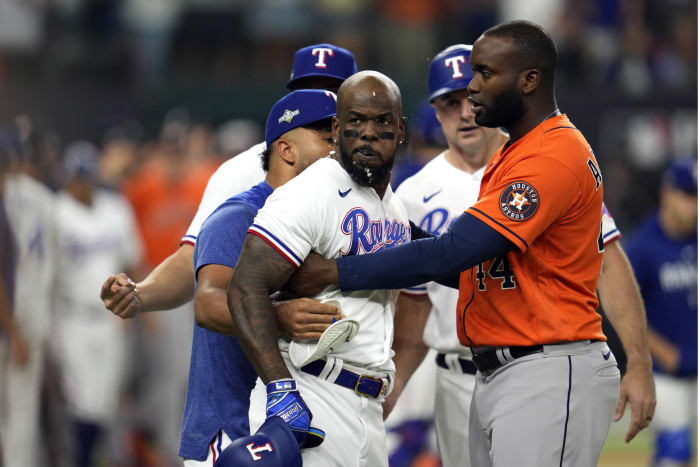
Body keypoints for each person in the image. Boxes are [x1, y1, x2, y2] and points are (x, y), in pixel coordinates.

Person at [287, 21, 655, 467]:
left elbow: (451, 253)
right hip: (504, 368)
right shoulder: (515, 152)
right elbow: (467, 268)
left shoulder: (553, 155)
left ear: (529, 81)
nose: (472, 86)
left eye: (484, 74)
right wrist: (382, 228)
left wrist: (334, 270)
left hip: (549, 368)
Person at [386, 44, 656, 466]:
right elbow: (416, 307)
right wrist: (397, 385)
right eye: (448, 102)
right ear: (436, 113)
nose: (463, 112)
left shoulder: (540, 162)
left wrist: (637, 362)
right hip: (455, 376)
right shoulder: (414, 192)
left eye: (467, 96)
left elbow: (608, 263)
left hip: (538, 365)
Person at [227, 71, 410, 467]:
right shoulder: (311, 192)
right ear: (336, 127)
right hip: (313, 391)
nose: (368, 133)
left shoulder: (392, 202)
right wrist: (280, 387)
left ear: (401, 130)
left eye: (382, 122)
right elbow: (245, 287)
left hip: (368, 404)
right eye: (356, 121)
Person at [100, 43, 357, 320]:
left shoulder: (373, 176)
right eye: (309, 89)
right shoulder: (242, 171)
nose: (323, 98)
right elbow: (193, 259)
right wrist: (142, 293)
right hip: (255, 342)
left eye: (334, 90)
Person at [180, 89, 338, 466]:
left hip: (289, 422)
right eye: (326, 137)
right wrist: (278, 317)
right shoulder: (238, 215)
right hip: (232, 428)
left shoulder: (328, 215)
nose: (337, 149)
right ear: (286, 150)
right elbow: (207, 303)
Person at [52, 142, 143, 467]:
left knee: (104, 397)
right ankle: (81, 458)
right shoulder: (56, 211)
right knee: (80, 398)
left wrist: (135, 304)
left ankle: (94, 456)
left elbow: (132, 260)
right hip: (71, 316)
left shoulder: (115, 207)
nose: (82, 184)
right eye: (77, 178)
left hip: (111, 318)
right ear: (68, 179)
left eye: (87, 177)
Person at [624, 158, 697, 467]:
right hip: (666, 373)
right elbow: (623, 312)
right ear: (667, 193)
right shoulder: (642, 246)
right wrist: (666, 354)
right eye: (688, 195)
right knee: (675, 448)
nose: (694, 205)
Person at [0, 124, 57, 467]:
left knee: (18, 412)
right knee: (21, 410)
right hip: (33, 311)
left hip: (12, 315)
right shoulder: (44, 197)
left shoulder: (12, 196)